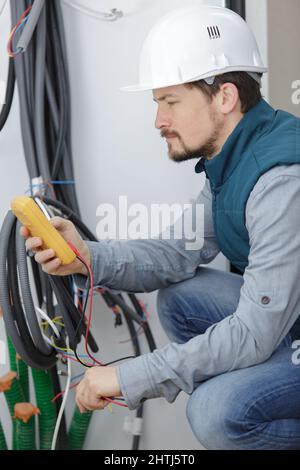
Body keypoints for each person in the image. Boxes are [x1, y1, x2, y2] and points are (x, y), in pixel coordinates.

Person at [21, 6, 300, 449]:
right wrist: (89, 258)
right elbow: (176, 253)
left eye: (170, 102)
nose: (159, 121)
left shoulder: (280, 180)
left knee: (213, 411)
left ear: (224, 97)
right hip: (289, 321)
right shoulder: (233, 159)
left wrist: (127, 375)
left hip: (279, 326)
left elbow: (252, 332)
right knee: (181, 297)